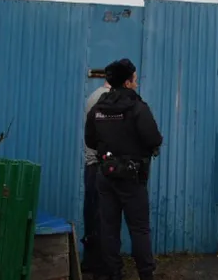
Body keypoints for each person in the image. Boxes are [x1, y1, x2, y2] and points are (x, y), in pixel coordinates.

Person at [85, 59, 163, 280]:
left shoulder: (98, 107)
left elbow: (90, 140)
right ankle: (146, 274)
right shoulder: (138, 107)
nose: (136, 83)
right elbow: (153, 139)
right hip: (131, 176)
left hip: (105, 174)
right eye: (135, 79)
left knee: (108, 228)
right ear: (128, 82)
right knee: (139, 229)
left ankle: (112, 274)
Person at [81, 79, 111, 275]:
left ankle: (91, 262)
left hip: (92, 164)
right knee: (102, 215)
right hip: (100, 165)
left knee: (92, 213)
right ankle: (101, 266)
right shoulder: (103, 99)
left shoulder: (94, 96)